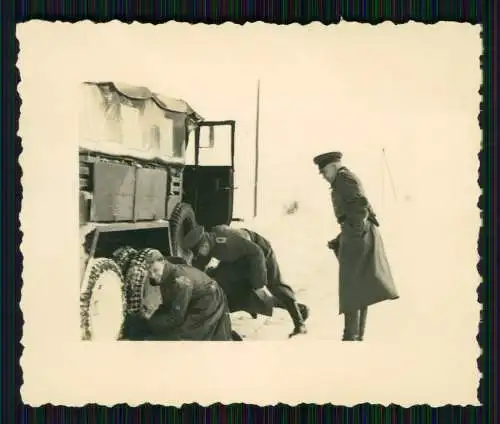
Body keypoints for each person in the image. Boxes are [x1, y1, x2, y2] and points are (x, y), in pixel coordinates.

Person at [313, 151, 399, 341]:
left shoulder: (344, 178)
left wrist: (352, 234)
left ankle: (350, 336)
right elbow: (355, 211)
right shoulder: (344, 178)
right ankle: (355, 335)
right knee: (359, 288)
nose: (323, 176)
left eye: (324, 171)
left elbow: (360, 206)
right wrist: (342, 237)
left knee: (351, 287)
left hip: (358, 236)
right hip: (359, 234)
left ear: (334, 166)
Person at [183, 224, 306, 338]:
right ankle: (248, 307)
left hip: (260, 251)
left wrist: (259, 284)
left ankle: (299, 322)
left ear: (204, 244)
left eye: (197, 251)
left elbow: (256, 252)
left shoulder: (226, 243)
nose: (197, 255)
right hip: (240, 257)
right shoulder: (209, 243)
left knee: (275, 286)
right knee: (222, 285)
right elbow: (199, 266)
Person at [133, 250, 236, 341]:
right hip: (196, 297)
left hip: (210, 300)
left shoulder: (180, 281)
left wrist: (151, 322)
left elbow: (175, 318)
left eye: (156, 270)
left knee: (183, 336)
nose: (153, 276)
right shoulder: (167, 273)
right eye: (150, 273)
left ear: (163, 262)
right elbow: (169, 305)